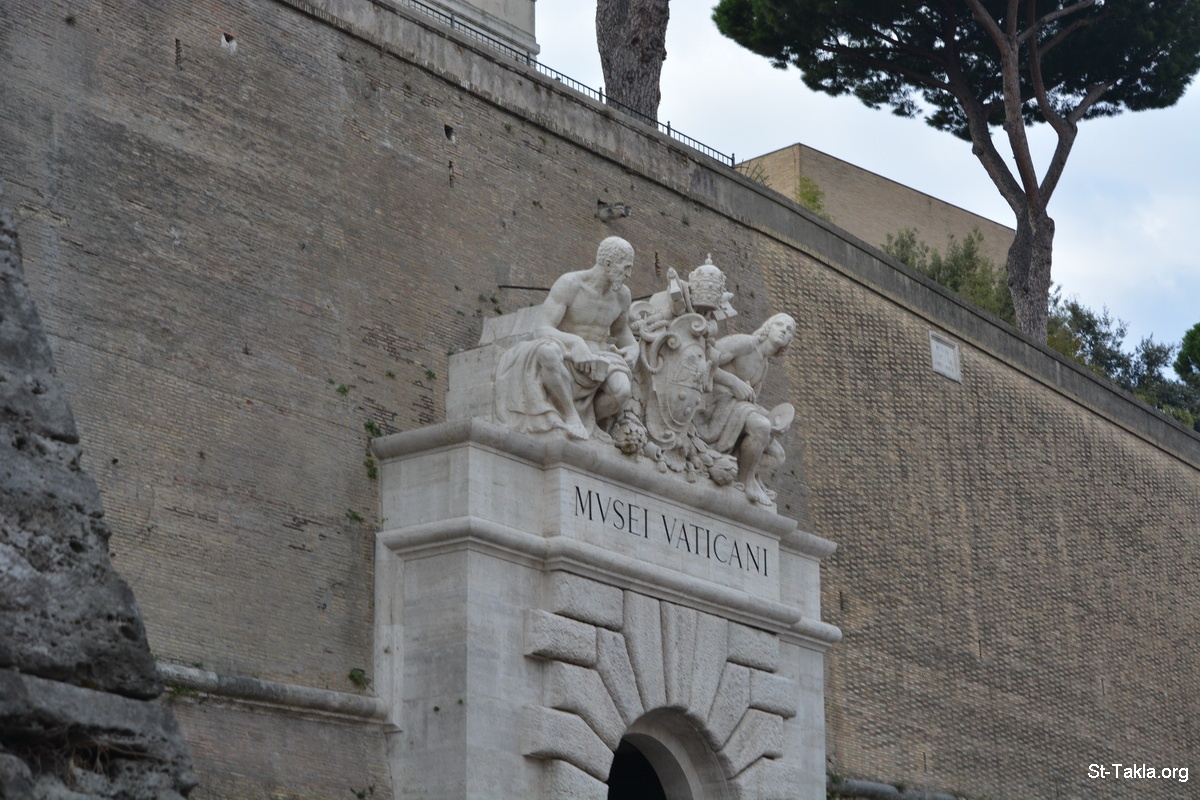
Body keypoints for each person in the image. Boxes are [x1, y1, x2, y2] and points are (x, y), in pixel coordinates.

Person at [495, 237, 639, 440]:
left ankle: (593, 424)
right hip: (569, 355)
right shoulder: (571, 284)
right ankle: (570, 415)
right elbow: (542, 328)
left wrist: (634, 349)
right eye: (626, 268)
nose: (629, 275)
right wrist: (575, 343)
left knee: (621, 392)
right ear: (608, 264)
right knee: (547, 352)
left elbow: (622, 332)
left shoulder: (622, 296)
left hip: (602, 359)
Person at [694, 313, 796, 504]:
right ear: (768, 327)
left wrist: (774, 420)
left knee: (777, 454)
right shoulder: (746, 343)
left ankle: (750, 475)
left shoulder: (764, 365)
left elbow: (750, 402)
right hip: (712, 406)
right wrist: (733, 382)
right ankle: (745, 482)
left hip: (734, 409)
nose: (783, 330)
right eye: (779, 324)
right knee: (761, 426)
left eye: (789, 330)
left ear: (789, 340)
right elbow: (703, 359)